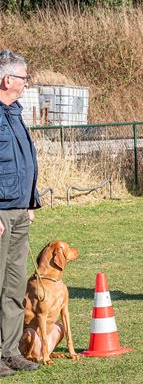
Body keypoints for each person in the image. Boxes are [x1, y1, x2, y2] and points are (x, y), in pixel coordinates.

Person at [0, 50, 41, 377]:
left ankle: (9, 352)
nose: (27, 83)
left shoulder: (14, 114)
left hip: (18, 211)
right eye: (24, 78)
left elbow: (24, 161)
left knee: (14, 289)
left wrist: (30, 201)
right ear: (7, 80)